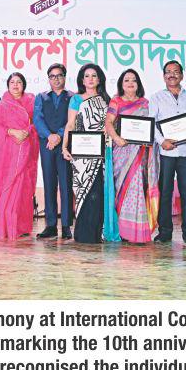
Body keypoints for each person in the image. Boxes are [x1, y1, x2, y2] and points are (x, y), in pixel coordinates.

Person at [62, 63, 118, 244]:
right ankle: (83, 234)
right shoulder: (76, 99)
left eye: (94, 75)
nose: (91, 79)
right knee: (83, 192)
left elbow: (111, 125)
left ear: (99, 79)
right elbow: (70, 124)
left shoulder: (106, 100)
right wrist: (64, 147)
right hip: (81, 154)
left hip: (101, 153)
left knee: (98, 192)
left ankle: (97, 233)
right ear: (82, 80)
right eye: (87, 76)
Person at [149, 60, 186, 245]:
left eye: (176, 71)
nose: (172, 75)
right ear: (164, 76)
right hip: (166, 153)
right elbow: (152, 123)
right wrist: (162, 141)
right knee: (165, 193)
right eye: (168, 72)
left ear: (182, 75)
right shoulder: (156, 97)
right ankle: (164, 232)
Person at [105, 69, 159, 243]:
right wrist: (116, 138)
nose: (130, 83)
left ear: (138, 84)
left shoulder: (145, 103)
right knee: (122, 188)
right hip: (122, 150)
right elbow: (108, 122)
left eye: (133, 80)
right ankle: (123, 231)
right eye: (126, 80)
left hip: (141, 153)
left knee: (137, 187)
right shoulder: (116, 101)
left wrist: (149, 141)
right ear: (121, 84)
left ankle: (137, 231)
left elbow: (151, 126)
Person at [0, 72, 39, 240]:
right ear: (8, 85)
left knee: (24, 189)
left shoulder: (32, 102)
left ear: (24, 85)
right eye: (12, 82)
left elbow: (36, 122)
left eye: (19, 82)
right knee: (8, 188)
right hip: (7, 155)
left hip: (26, 151)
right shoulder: (2, 104)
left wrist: (27, 131)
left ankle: (21, 227)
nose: (16, 85)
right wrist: (11, 131)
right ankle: (6, 227)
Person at [33, 63, 74, 240]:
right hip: (47, 145)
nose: (56, 79)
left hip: (66, 146)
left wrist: (59, 135)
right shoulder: (41, 97)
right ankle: (50, 225)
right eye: (52, 76)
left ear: (64, 77)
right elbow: (37, 119)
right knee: (49, 184)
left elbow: (73, 120)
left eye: (59, 75)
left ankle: (66, 226)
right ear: (48, 79)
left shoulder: (73, 97)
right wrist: (50, 136)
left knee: (66, 184)